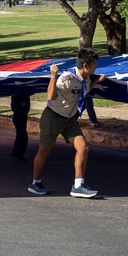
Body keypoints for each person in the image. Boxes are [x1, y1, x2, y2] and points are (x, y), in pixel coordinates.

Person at [30, 48, 106, 198]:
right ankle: (35, 183)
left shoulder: (86, 78)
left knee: (83, 148)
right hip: (53, 117)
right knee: (44, 151)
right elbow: (51, 96)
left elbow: (82, 91)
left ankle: (78, 186)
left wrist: (97, 81)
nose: (96, 66)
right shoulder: (66, 78)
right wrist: (53, 76)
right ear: (86, 65)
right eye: (94, 63)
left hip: (69, 120)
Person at [10, 93, 32, 162]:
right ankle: (17, 153)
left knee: (21, 134)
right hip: (18, 115)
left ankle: (17, 153)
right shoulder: (16, 94)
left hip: (23, 116)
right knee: (22, 135)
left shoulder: (25, 94)